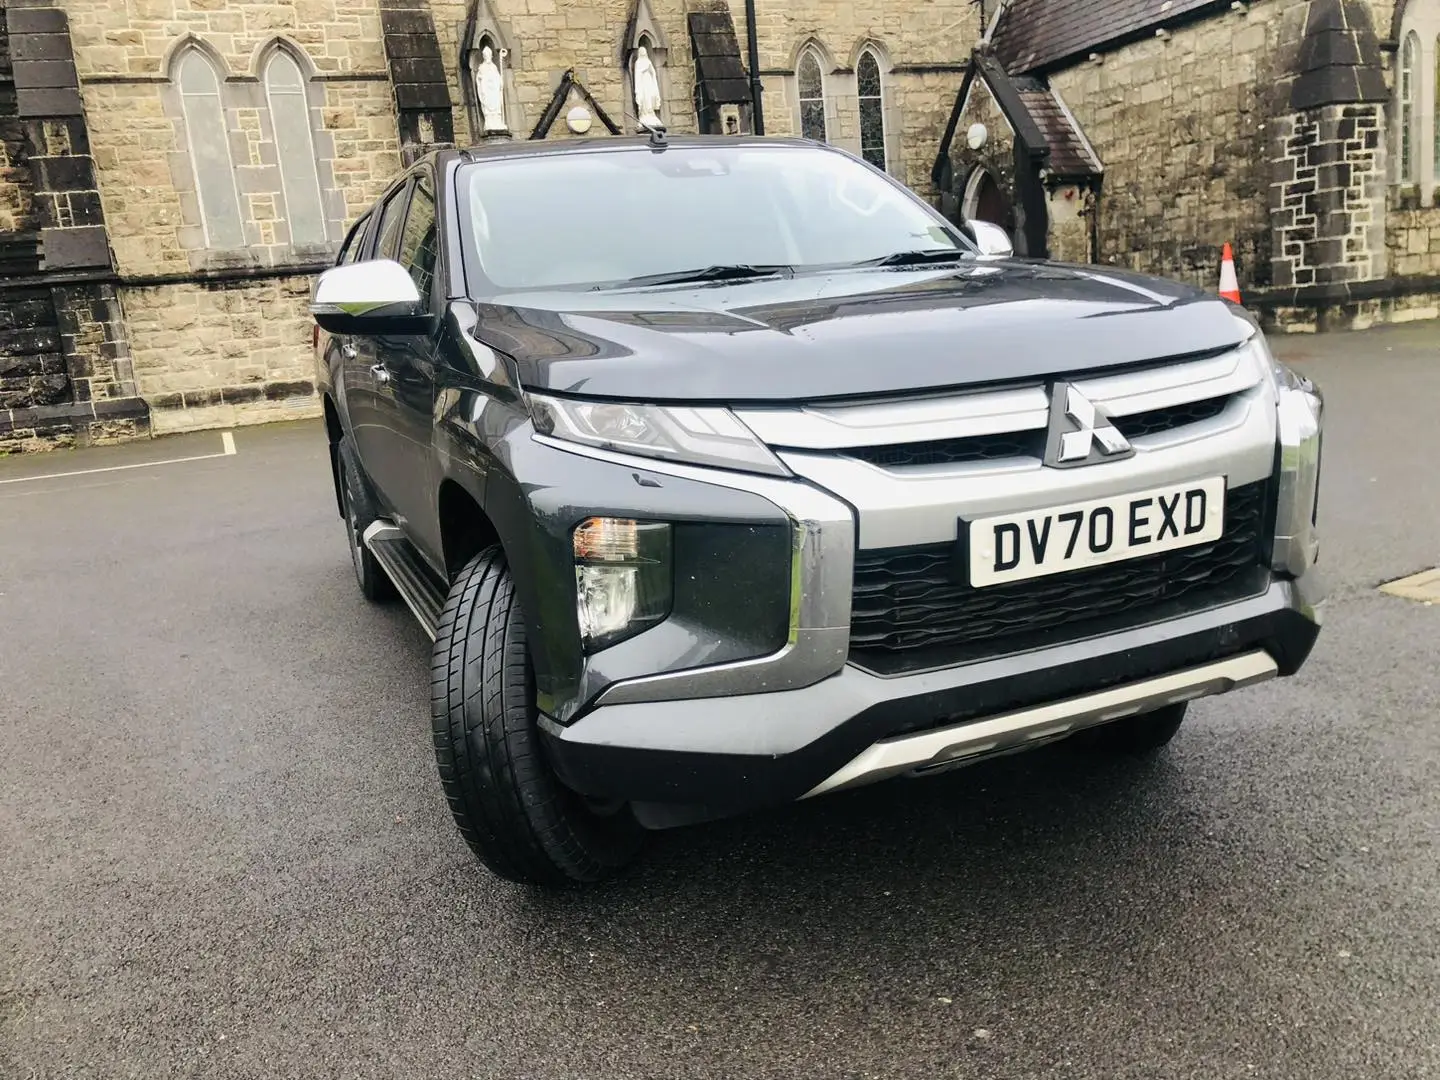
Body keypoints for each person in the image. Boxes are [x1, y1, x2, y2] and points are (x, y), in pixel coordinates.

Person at [633, 46, 662, 128]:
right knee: (645, 99)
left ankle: (651, 114)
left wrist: (650, 71)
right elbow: (637, 74)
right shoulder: (638, 62)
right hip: (643, 84)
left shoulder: (648, 61)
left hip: (649, 82)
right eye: (642, 52)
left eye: (644, 51)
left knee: (651, 97)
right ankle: (644, 114)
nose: (643, 53)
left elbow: (653, 72)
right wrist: (644, 70)